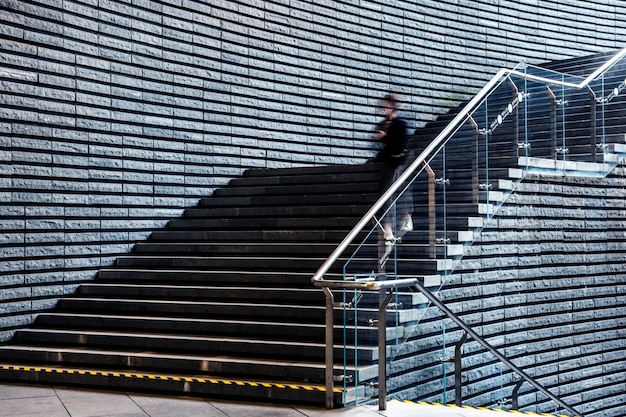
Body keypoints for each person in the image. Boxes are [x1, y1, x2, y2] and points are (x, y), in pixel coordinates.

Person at [373, 93, 413, 266]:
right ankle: (394, 225)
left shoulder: (399, 124)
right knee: (389, 192)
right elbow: (377, 144)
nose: (383, 108)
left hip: (398, 162)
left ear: (392, 106)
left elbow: (400, 142)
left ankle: (397, 224)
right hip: (387, 162)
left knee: (390, 193)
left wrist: (385, 137)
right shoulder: (382, 124)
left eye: (386, 105)